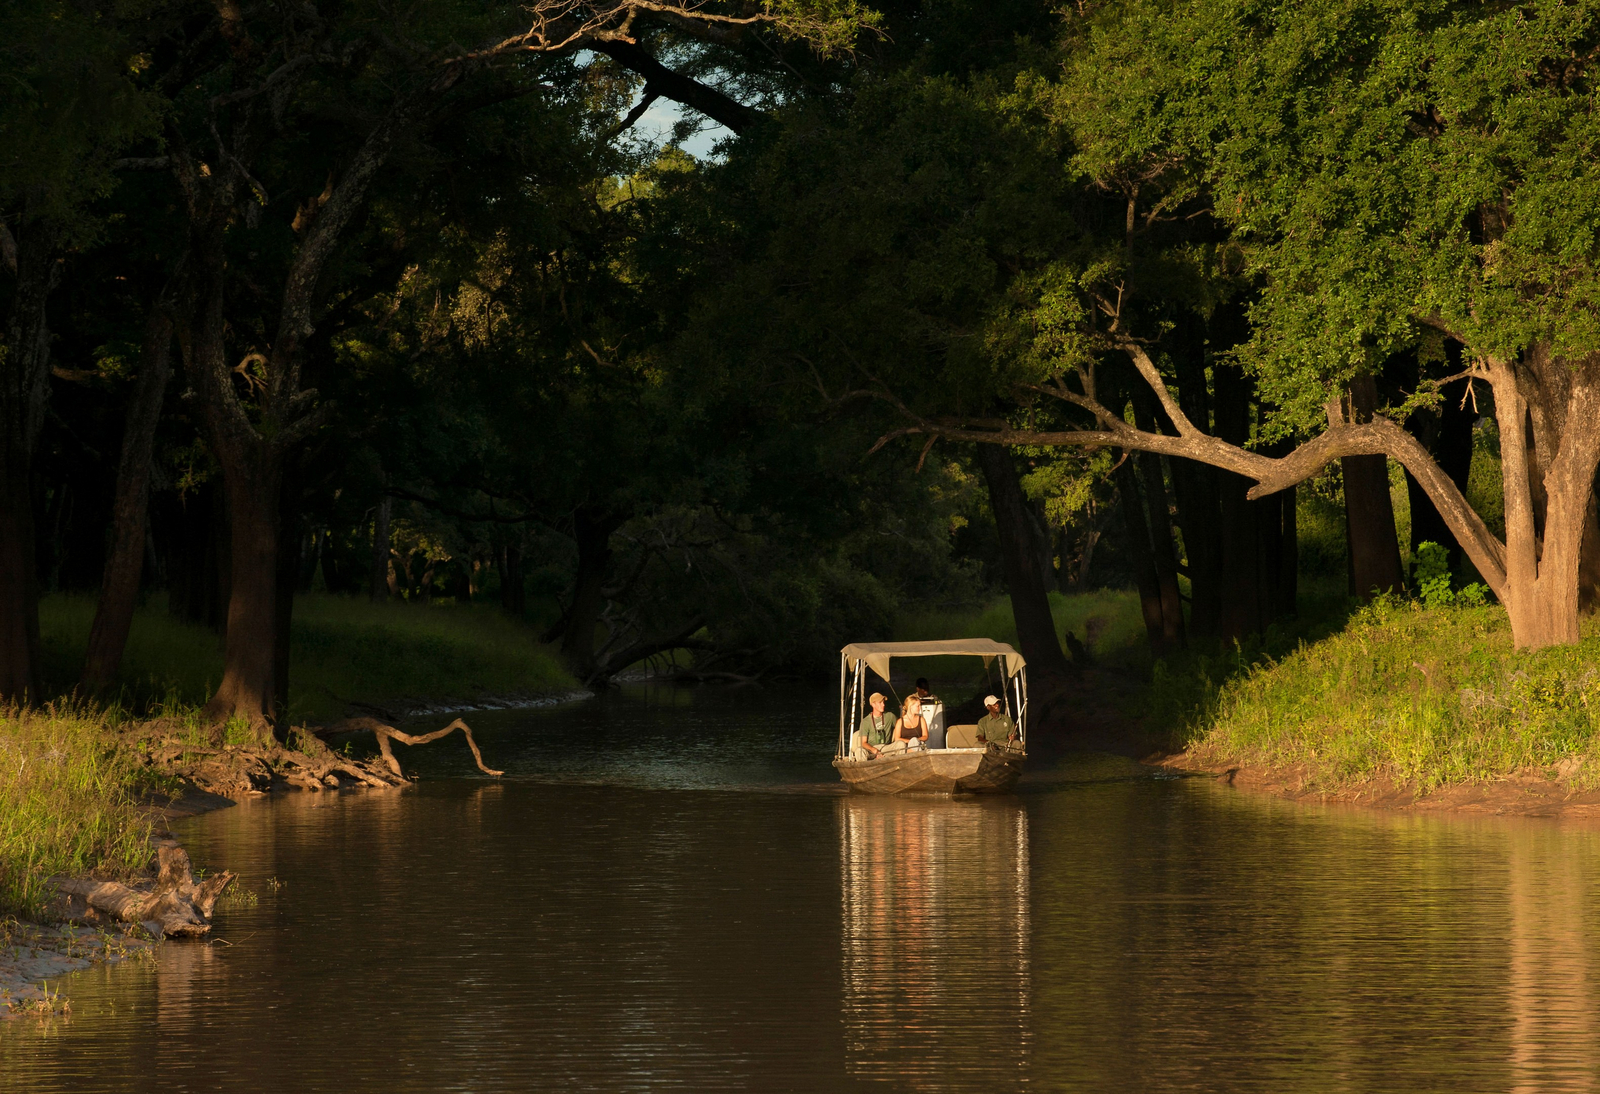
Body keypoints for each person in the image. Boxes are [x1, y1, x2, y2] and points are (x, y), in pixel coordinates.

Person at [854, 692, 894, 759]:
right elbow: (863, 742)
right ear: (873, 704)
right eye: (880, 702)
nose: (883, 705)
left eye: (883, 702)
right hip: (871, 749)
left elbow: (901, 725)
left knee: (900, 744)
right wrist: (874, 750)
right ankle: (865, 768)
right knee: (859, 751)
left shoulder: (890, 716)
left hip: (885, 748)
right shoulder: (865, 721)